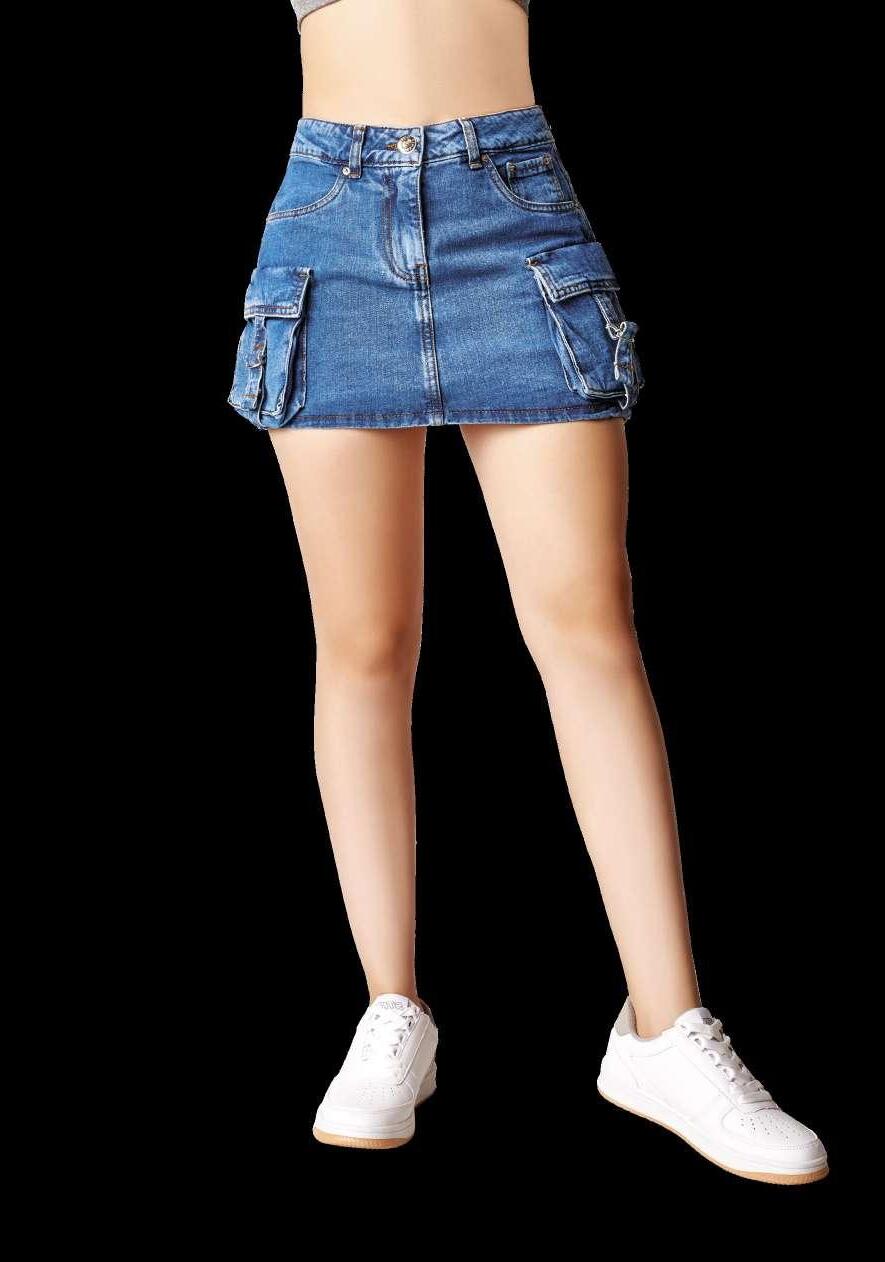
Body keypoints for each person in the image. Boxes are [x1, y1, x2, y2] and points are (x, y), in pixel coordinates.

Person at [227, 0, 828, 1182]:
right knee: (364, 641)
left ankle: (665, 1028)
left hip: (508, 203)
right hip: (328, 218)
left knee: (590, 623)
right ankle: (391, 1009)